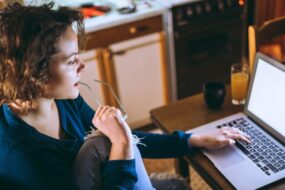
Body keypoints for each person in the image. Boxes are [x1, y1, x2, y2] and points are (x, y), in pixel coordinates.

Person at [0, 2, 251, 190]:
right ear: (33, 72)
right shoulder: (22, 157)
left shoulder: (63, 101)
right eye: (72, 60)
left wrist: (192, 140)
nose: (83, 66)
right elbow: (119, 141)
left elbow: (126, 137)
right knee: (103, 144)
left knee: (177, 186)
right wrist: (120, 145)